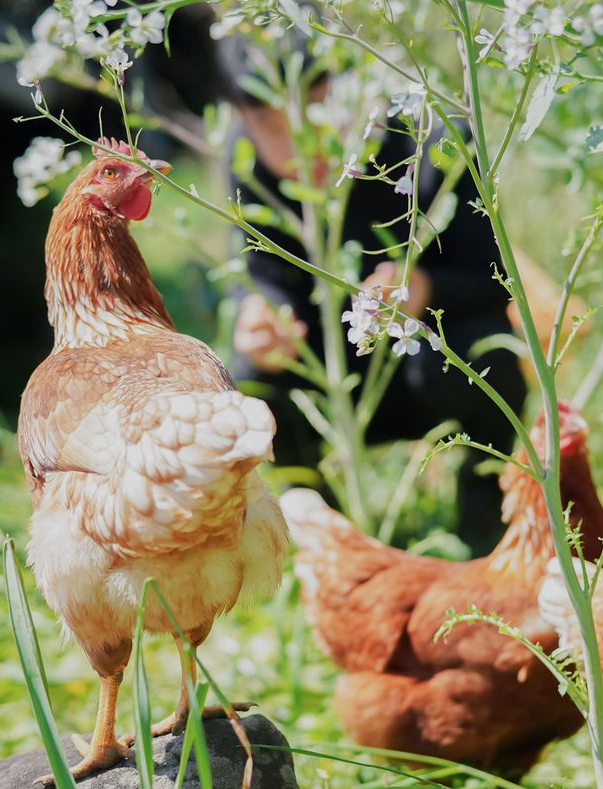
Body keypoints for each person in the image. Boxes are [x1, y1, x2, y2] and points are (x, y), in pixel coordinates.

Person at [217, 41, 528, 546]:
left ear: (350, 87)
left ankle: (486, 526)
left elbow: (494, 281)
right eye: (273, 129)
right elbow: (255, 269)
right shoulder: (247, 159)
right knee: (249, 378)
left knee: (489, 352)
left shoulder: (431, 141)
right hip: (327, 374)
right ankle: (332, 543)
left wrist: (426, 288)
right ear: (243, 122)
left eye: (317, 116)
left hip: (419, 364)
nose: (302, 148)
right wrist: (259, 313)